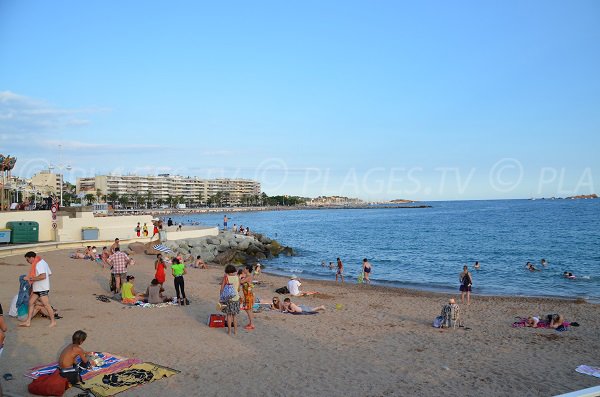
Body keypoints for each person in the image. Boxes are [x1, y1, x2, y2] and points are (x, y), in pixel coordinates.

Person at [19, 251, 56, 327]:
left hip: (42, 288)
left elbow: (43, 276)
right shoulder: (42, 262)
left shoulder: (39, 264)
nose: (28, 262)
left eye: (27, 260)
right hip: (38, 287)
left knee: (46, 305)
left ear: (31, 258)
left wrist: (30, 278)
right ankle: (28, 322)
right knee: (31, 302)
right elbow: (49, 273)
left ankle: (53, 321)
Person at [220, 264, 241, 335]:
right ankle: (235, 331)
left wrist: (221, 298)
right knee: (234, 316)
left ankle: (229, 331)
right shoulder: (237, 277)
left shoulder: (226, 277)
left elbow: (222, 288)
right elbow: (238, 289)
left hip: (228, 298)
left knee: (228, 315)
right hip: (236, 298)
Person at [240, 265, 255, 330]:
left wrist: (240, 276)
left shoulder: (249, 277)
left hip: (248, 296)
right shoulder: (247, 276)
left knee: (248, 310)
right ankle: (251, 323)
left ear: (247, 269)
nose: (243, 269)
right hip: (247, 295)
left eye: (244, 268)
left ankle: (252, 324)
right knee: (248, 310)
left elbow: (241, 282)